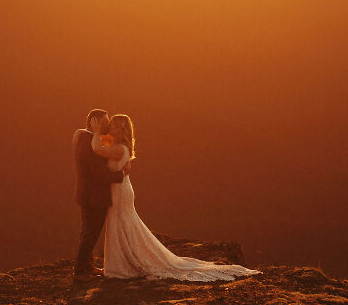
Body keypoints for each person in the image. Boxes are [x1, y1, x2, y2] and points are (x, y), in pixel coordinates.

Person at [90, 113, 263, 281]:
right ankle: (120, 263)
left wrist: (96, 131)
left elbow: (97, 148)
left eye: (112, 125)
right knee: (122, 223)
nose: (109, 127)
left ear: (120, 129)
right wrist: (96, 133)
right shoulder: (120, 147)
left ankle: (121, 266)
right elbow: (103, 143)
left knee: (120, 223)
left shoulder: (119, 149)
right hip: (121, 189)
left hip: (120, 192)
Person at [72, 109, 131, 282]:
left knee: (88, 231)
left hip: (89, 194)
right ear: (94, 123)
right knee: (90, 233)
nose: (107, 126)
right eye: (104, 123)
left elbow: (114, 144)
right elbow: (100, 175)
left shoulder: (88, 137)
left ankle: (88, 266)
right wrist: (121, 174)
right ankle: (80, 271)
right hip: (93, 195)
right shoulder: (90, 143)